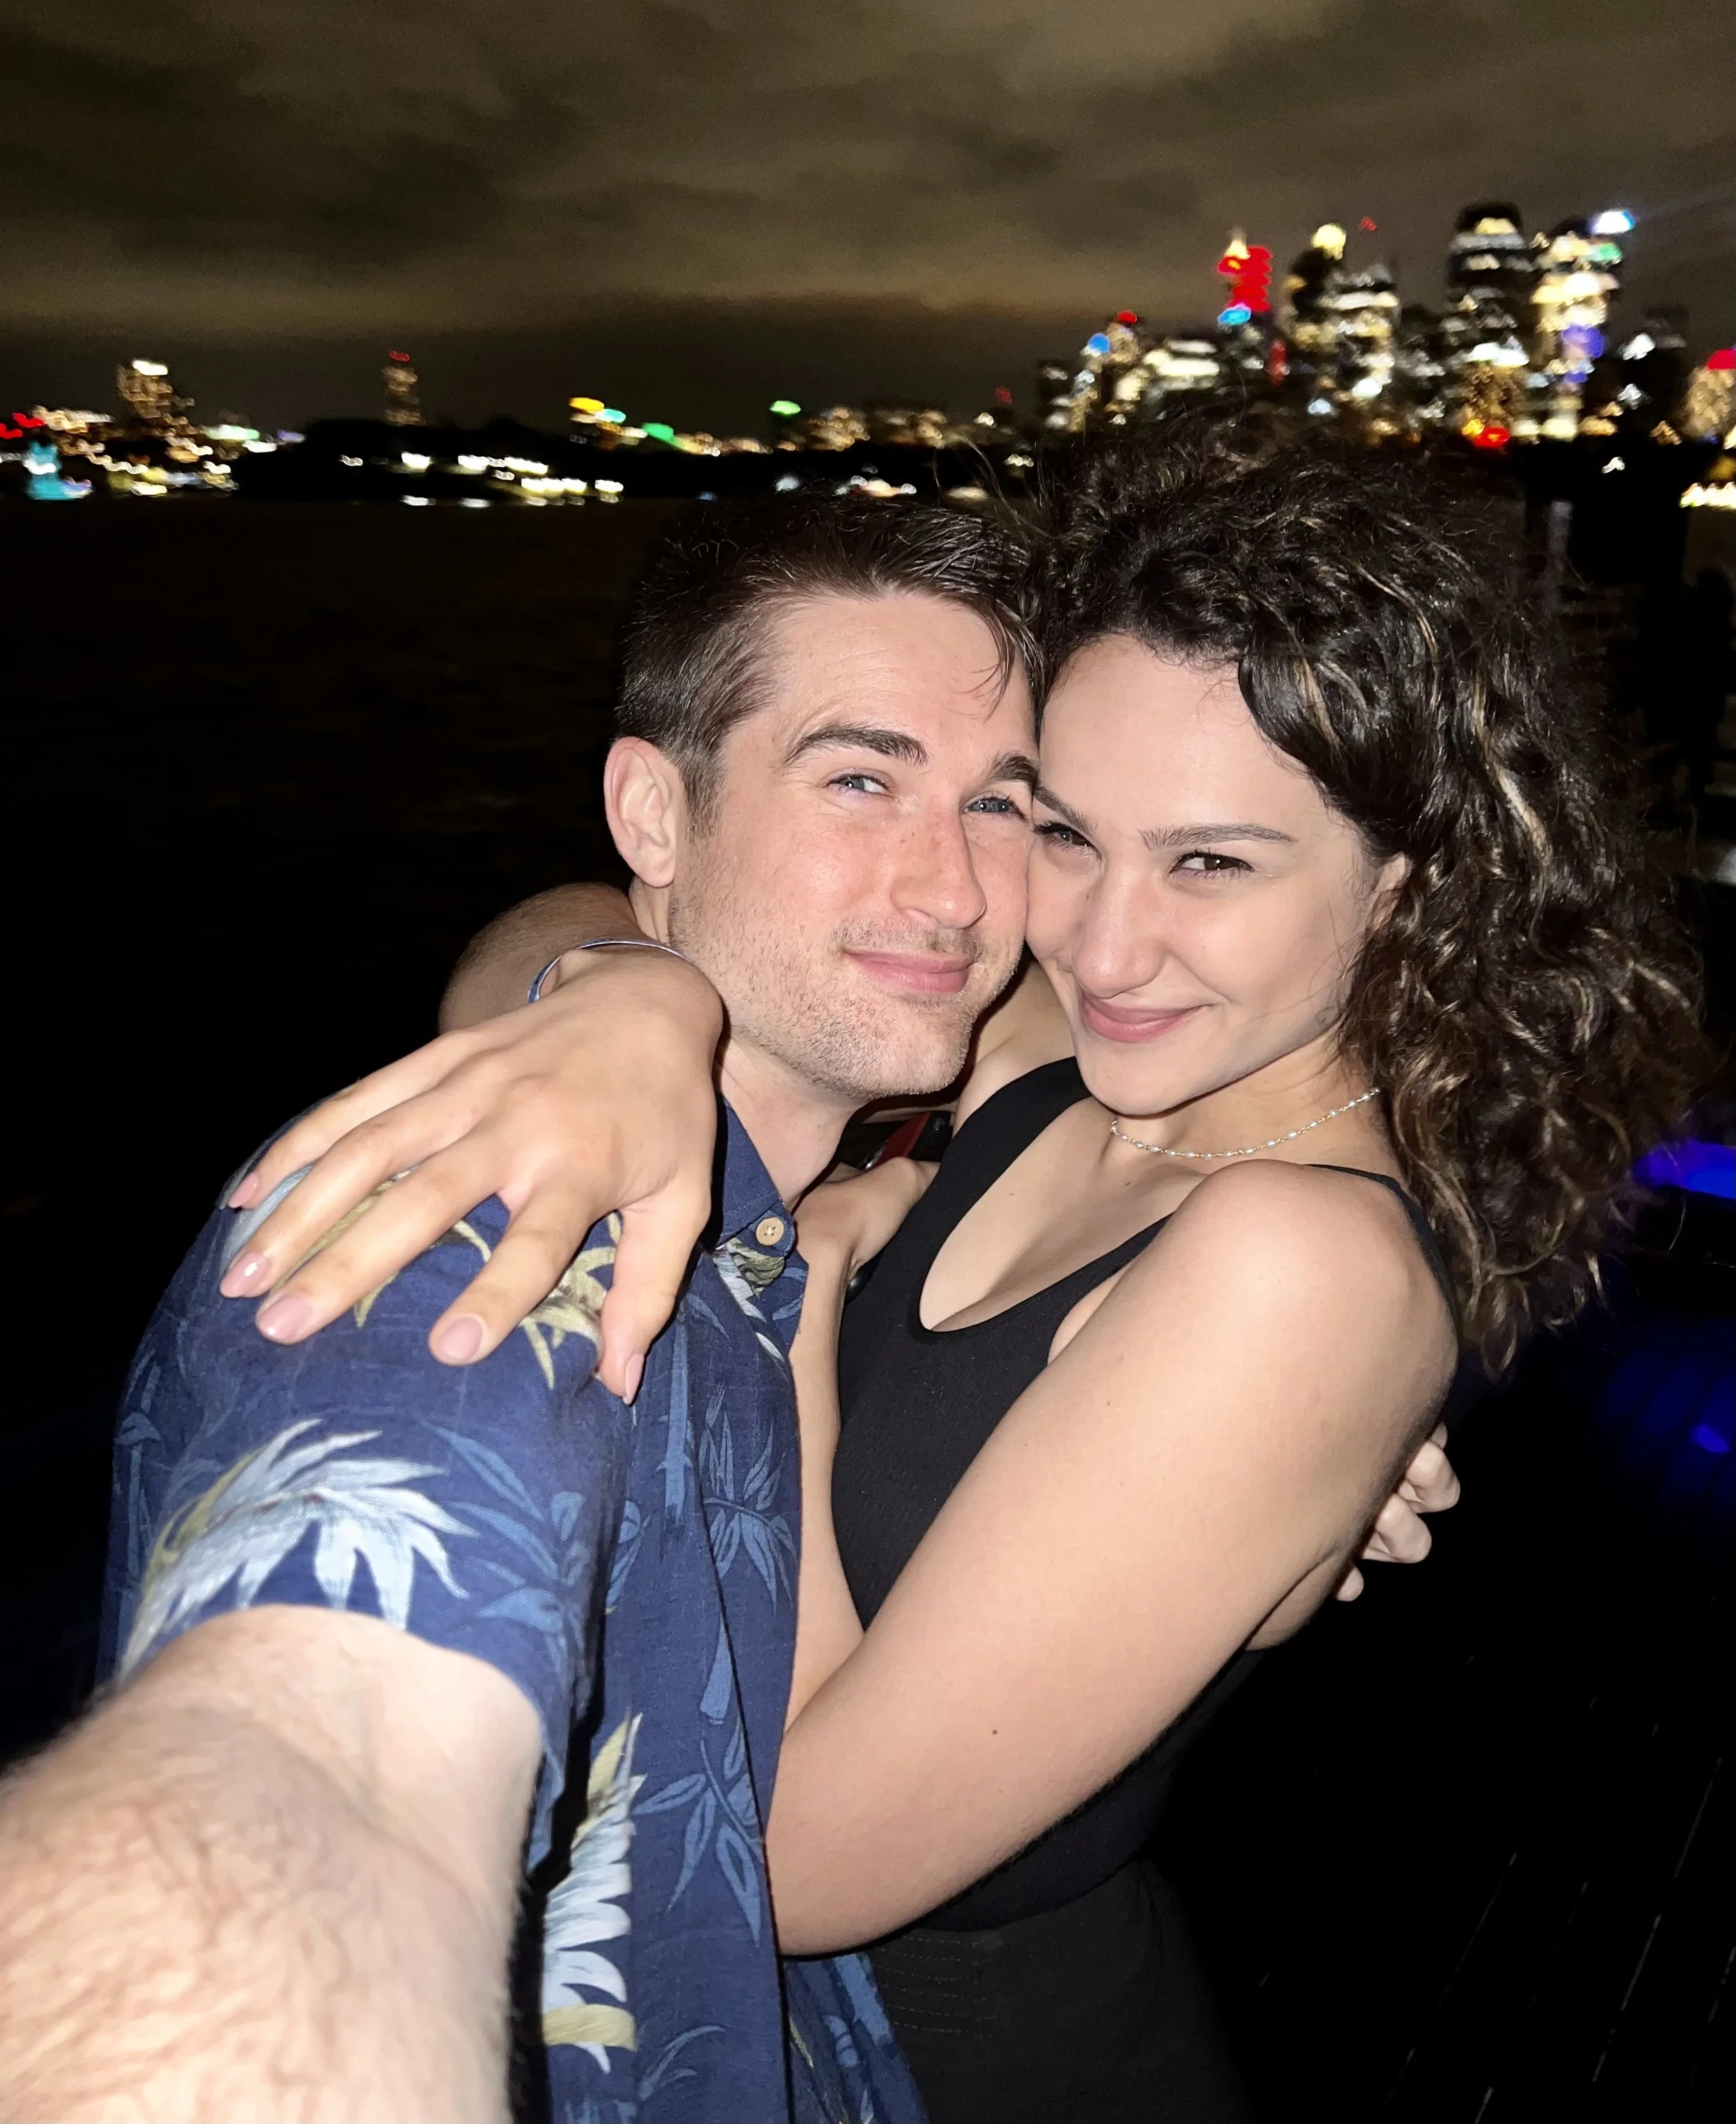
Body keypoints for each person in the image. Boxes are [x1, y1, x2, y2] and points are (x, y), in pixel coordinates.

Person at [206, 433, 1705, 2119]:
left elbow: (779, 1862)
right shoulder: (1066, 1047)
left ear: (1400, 880)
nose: (1102, 937)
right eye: (1062, 830)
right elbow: (612, 912)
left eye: (1212, 860)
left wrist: (791, 1292)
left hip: (971, 2064)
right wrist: (616, 1002)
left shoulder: (1302, 1265)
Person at [0, 496, 1058, 2124]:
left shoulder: (781, 1214)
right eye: (860, 777)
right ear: (652, 806)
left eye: (1000, 803)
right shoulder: (469, 1256)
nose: (955, 888)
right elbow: (329, 1762)